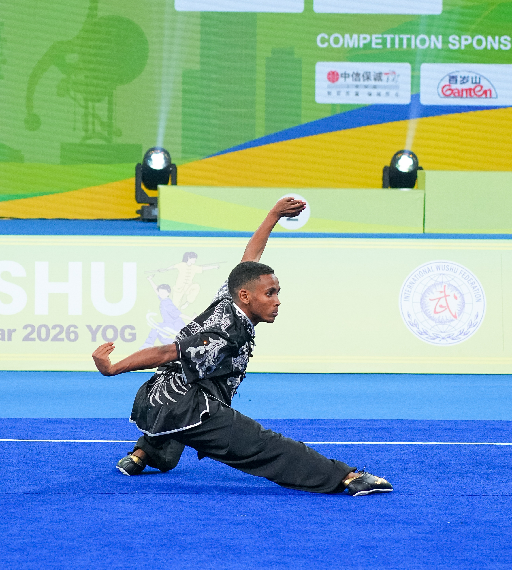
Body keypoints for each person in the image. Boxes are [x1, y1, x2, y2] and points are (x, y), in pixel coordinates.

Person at [92, 198, 393, 497]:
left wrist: (273, 215)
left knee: (210, 389)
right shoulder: (226, 333)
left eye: (277, 292)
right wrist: (113, 368)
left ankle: (143, 453)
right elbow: (166, 352)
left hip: (163, 393)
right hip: (183, 406)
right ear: (247, 297)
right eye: (270, 293)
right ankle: (345, 478)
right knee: (262, 443)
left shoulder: (231, 296)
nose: (277, 301)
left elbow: (250, 258)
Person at [141, 277, 185, 349]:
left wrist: (191, 318)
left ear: (168, 293)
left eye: (163, 292)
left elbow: (178, 314)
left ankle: (147, 345)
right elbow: (157, 291)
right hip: (169, 324)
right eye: (160, 292)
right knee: (161, 337)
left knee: (155, 328)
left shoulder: (166, 302)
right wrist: (150, 280)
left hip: (174, 324)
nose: (161, 294)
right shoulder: (164, 299)